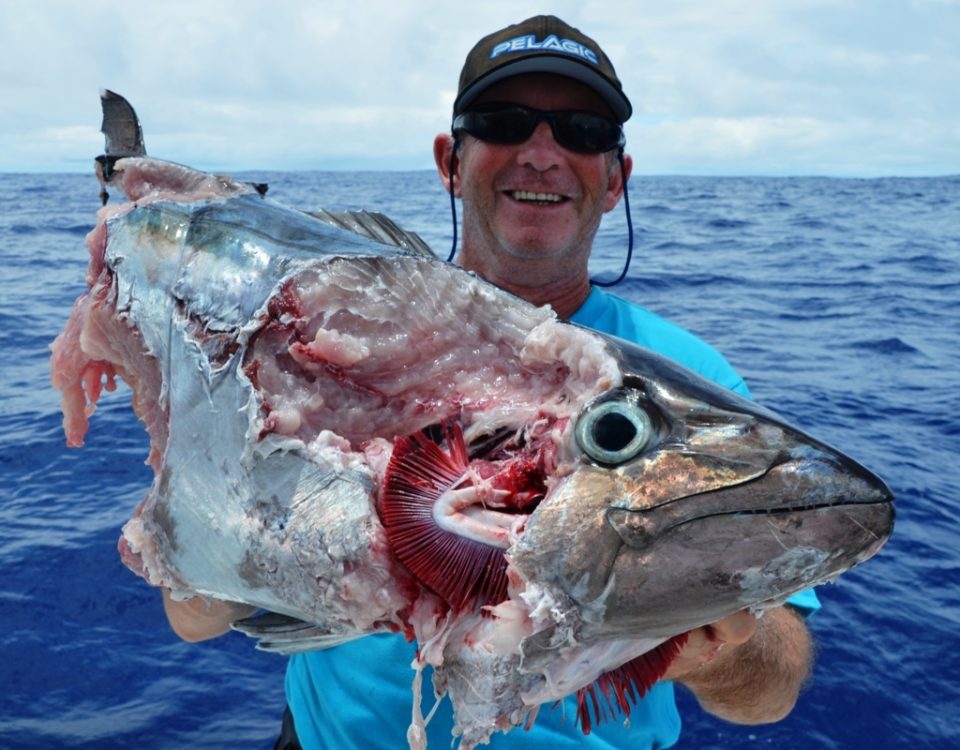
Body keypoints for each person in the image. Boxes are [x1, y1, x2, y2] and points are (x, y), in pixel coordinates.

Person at [163, 15, 819, 749]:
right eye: (504, 122)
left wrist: (704, 646)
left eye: (580, 130)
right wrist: (198, 440)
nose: (542, 154)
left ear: (615, 179)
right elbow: (195, 618)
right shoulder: (322, 346)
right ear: (450, 161)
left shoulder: (691, 386)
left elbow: (774, 690)